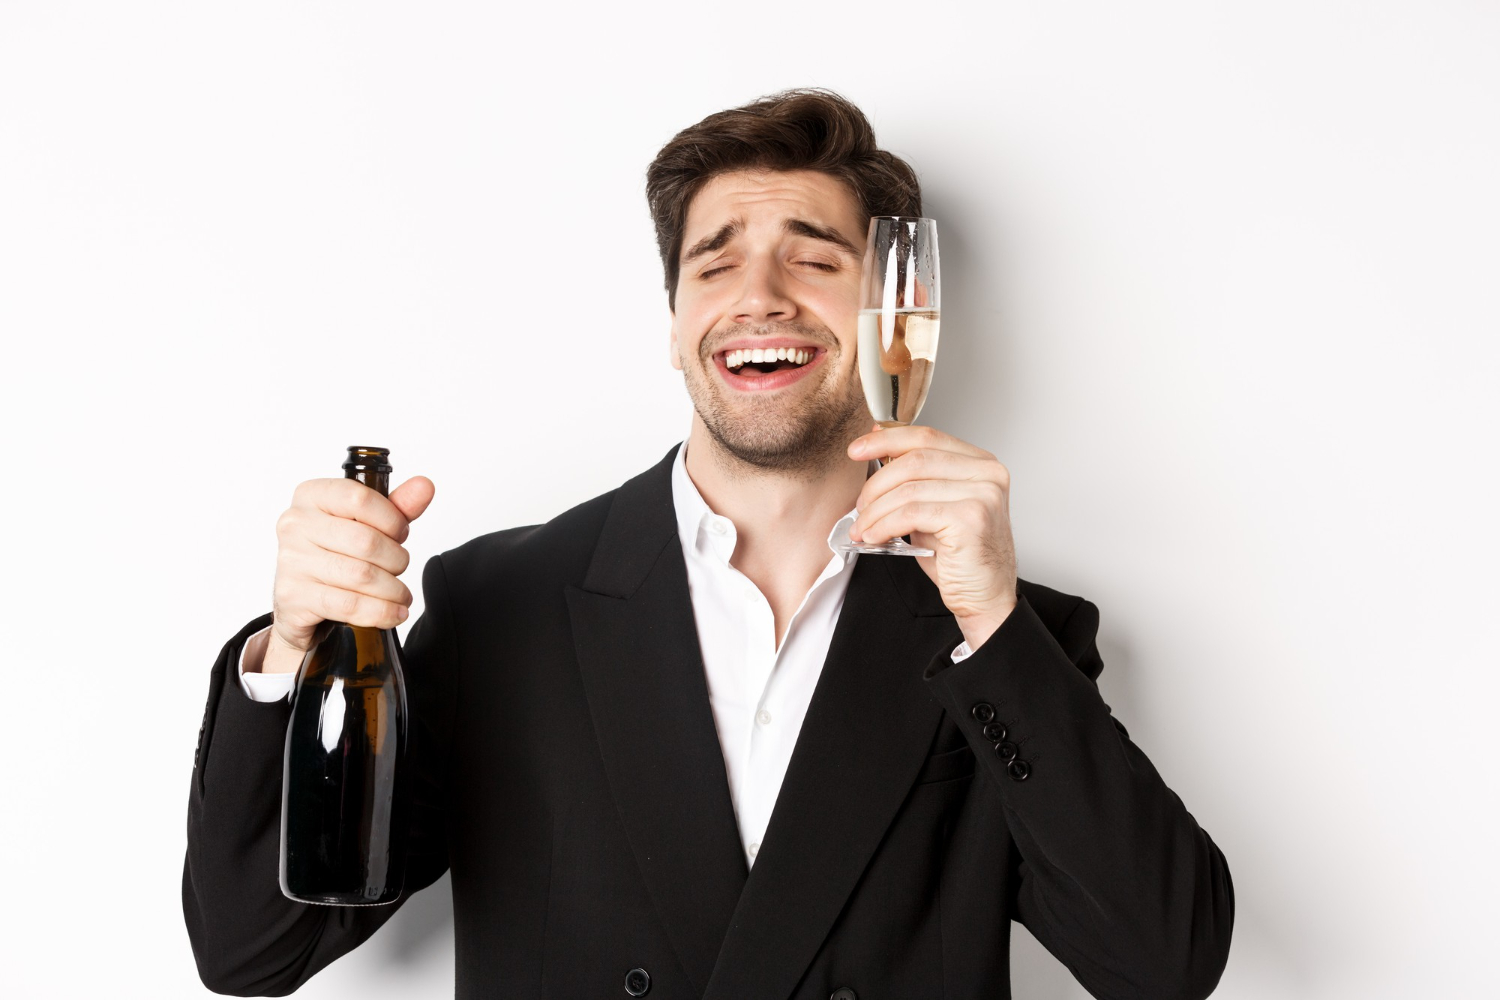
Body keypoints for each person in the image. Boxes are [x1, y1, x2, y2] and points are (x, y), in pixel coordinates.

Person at [184, 89, 1234, 999]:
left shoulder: (1003, 634)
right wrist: (289, 650)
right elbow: (252, 947)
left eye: (814, 258)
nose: (759, 295)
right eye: (715, 262)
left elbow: (1161, 965)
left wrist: (994, 626)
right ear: (676, 318)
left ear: (887, 310)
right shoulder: (506, 606)